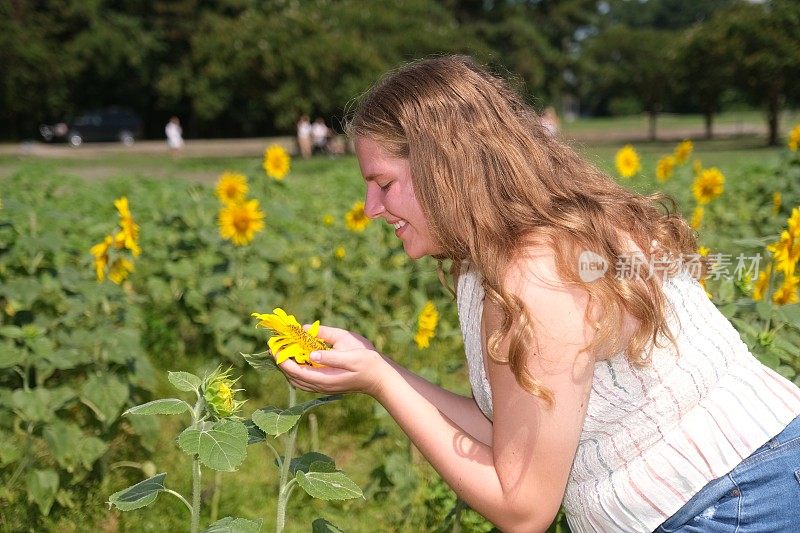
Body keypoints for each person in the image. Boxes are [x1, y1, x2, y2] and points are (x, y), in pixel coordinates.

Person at [277, 56, 800, 532]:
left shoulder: (536, 274)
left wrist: (384, 385)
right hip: (748, 480)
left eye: (384, 183)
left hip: (734, 504)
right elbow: (512, 436)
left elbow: (523, 507)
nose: (370, 207)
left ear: (444, 170)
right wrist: (376, 369)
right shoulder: (504, 250)